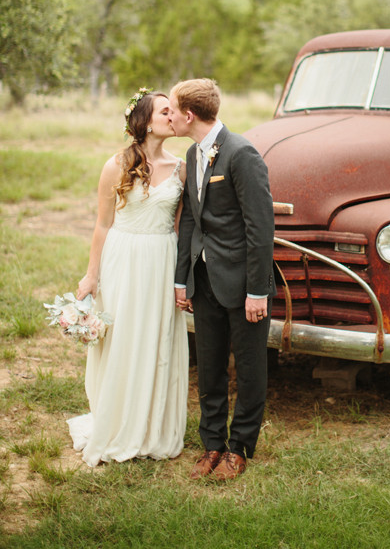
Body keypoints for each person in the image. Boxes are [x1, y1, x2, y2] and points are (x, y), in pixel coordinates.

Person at [67, 89, 189, 467]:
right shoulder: (116, 165)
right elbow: (102, 225)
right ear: (145, 122)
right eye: (165, 111)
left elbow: (180, 227)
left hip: (162, 258)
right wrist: (91, 276)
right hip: (123, 258)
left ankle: (152, 426)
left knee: (157, 337)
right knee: (123, 338)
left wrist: (182, 278)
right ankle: (117, 420)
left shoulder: (182, 168)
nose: (173, 116)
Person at [168, 78, 275, 480]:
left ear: (189, 115)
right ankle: (212, 444)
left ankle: (240, 448)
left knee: (249, 370)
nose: (169, 117)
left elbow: (260, 228)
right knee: (210, 368)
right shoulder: (192, 154)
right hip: (204, 281)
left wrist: (257, 290)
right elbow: (191, 222)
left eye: (172, 110)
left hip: (244, 284)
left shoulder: (242, 154)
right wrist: (182, 279)